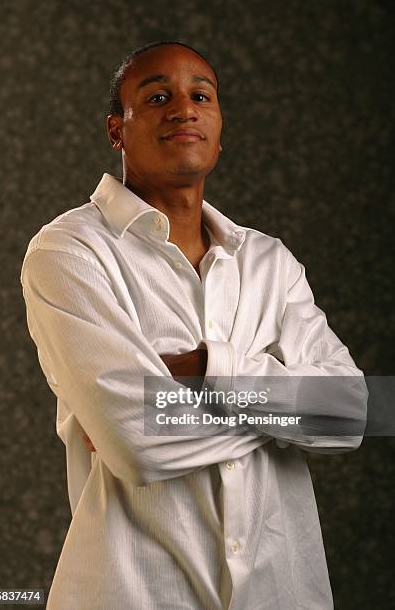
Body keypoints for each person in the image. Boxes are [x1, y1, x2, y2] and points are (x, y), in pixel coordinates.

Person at [20, 40, 367, 610]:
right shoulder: (68, 252)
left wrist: (207, 368)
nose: (183, 108)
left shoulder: (269, 262)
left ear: (219, 127)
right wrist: (291, 406)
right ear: (117, 130)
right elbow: (139, 441)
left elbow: (353, 411)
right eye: (157, 96)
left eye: (200, 94)